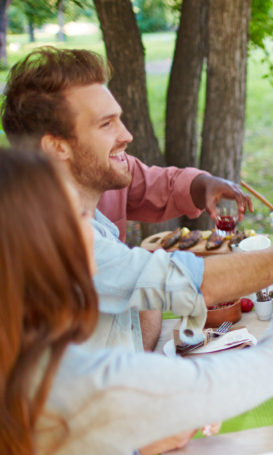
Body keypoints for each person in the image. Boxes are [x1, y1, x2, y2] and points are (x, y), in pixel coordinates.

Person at [0, 147, 273, 455]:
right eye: (85, 218)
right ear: (47, 249)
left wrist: (140, 448)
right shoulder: (87, 380)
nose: (101, 233)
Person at [2, 46, 255, 353]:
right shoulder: (47, 237)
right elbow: (193, 283)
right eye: (106, 124)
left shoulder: (97, 174)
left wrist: (203, 185)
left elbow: (153, 183)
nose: (127, 135)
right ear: (57, 147)